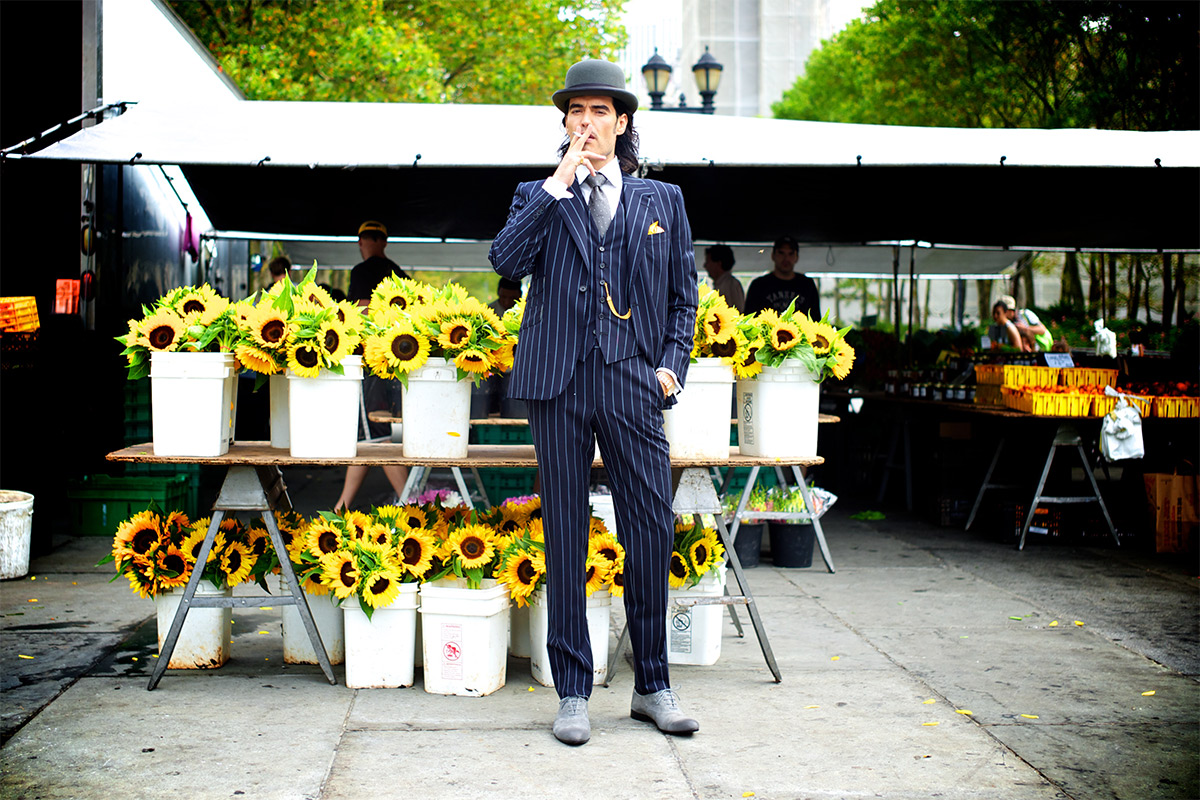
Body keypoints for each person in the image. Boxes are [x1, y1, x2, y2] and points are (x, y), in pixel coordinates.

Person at [489, 58, 700, 746]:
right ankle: (573, 691)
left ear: (622, 121)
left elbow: (682, 299)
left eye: (599, 112)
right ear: (565, 123)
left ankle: (654, 686)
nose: (586, 123)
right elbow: (505, 262)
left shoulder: (660, 202)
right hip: (558, 382)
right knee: (566, 534)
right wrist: (558, 185)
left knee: (649, 528)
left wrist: (669, 370)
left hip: (632, 380)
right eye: (575, 113)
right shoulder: (537, 194)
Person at [335, 220, 411, 512]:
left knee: (374, 435)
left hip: (370, 361)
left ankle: (411, 501)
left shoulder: (361, 271)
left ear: (362, 242)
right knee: (369, 437)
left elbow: (361, 308)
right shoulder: (398, 273)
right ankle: (341, 505)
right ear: (384, 242)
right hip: (394, 361)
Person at [743, 235, 820, 318]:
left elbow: (816, 319)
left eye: (790, 253)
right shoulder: (759, 285)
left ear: (796, 257)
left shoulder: (807, 285)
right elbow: (749, 319)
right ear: (773, 256)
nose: (786, 258)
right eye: (781, 253)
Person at [703, 244, 744, 312]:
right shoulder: (719, 284)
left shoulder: (732, 284)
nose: (705, 266)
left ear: (719, 263)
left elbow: (739, 312)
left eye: (708, 261)